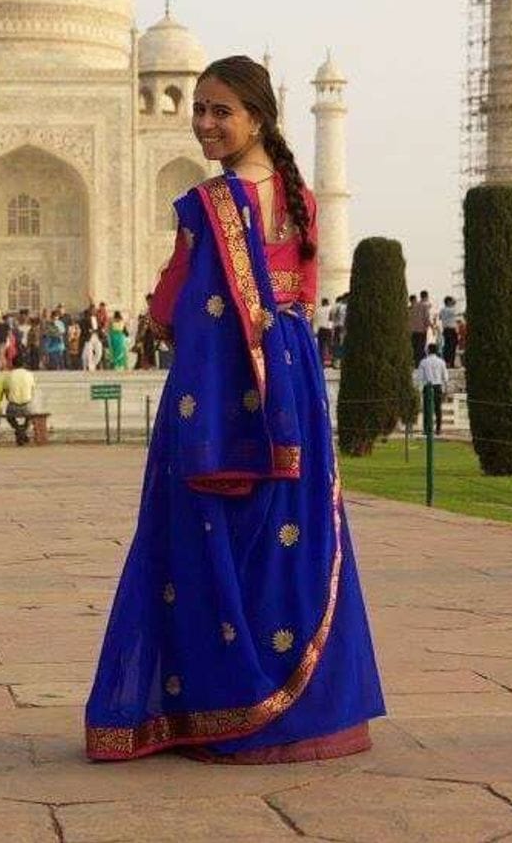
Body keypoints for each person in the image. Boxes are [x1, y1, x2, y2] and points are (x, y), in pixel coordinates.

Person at [86, 54, 384, 763]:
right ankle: (300, 707)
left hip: (217, 396)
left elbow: (170, 306)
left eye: (221, 110)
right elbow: (298, 296)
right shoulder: (301, 198)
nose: (206, 123)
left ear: (258, 116)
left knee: (208, 535)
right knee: (293, 535)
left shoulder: (208, 204)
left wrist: (169, 323)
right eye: (199, 109)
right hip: (292, 386)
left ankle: (222, 705)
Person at [416, 343, 449, 436]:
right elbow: (445, 376)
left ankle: (427, 429)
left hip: (428, 386)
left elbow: (420, 377)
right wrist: (446, 388)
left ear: (428, 351)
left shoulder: (423, 362)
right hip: (437, 386)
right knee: (438, 408)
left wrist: (419, 389)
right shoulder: (441, 362)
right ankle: (438, 429)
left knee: (427, 409)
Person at [4, 361, 36, 446]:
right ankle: (23, 431)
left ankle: (18, 429)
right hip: (26, 406)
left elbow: (6, 392)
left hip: (13, 406)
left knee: (9, 416)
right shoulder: (29, 374)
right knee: (30, 415)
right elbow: (33, 391)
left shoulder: (10, 375)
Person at [409, 290, 432, 367]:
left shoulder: (414, 306)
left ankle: (416, 363)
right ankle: (421, 364)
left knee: (415, 347)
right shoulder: (425, 305)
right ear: (426, 296)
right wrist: (430, 326)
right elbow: (426, 318)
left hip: (413, 330)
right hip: (421, 330)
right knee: (421, 347)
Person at [439, 296, 458, 368]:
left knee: (446, 346)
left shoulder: (442, 310)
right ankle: (452, 363)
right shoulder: (452, 310)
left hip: (445, 330)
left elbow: (440, 317)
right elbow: (455, 305)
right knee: (453, 346)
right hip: (452, 330)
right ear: (449, 302)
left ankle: (447, 362)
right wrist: (454, 302)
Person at [314, 297, 333, 366]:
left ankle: (321, 362)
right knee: (329, 345)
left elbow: (315, 320)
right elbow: (331, 319)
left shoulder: (318, 310)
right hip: (328, 329)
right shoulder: (330, 309)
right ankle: (331, 362)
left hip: (320, 329)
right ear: (327, 302)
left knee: (321, 346)